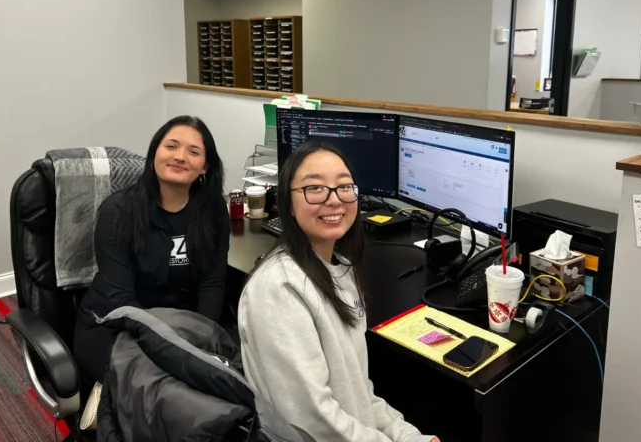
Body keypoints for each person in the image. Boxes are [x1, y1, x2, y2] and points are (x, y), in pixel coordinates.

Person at [239, 141, 438, 442]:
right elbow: (312, 419)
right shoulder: (278, 289)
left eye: (344, 186)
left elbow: (358, 391)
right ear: (287, 204)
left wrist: (409, 436)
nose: (334, 200)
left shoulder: (340, 269)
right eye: (315, 188)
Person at [74, 115, 230, 384]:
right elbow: (121, 300)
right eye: (171, 146)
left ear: (204, 167)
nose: (180, 156)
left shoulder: (214, 211)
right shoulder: (118, 211)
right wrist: (175, 351)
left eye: (193, 151)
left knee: (226, 374)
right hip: (117, 325)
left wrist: (199, 337)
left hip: (184, 323)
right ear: (154, 154)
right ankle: (106, 403)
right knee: (166, 387)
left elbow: (212, 283)